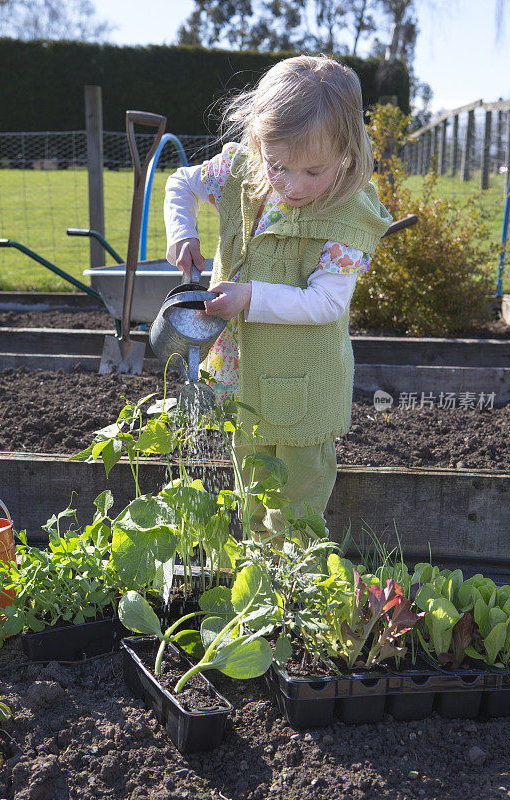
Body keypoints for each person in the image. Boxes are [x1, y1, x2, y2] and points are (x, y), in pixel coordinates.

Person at [164, 54, 392, 541]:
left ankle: (300, 585)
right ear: (258, 140)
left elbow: (326, 304)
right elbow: (180, 183)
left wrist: (250, 297)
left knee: (300, 498)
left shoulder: (347, 215)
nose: (292, 185)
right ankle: (258, 579)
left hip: (306, 383)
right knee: (252, 483)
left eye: (313, 171)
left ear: (346, 151)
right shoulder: (240, 174)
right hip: (244, 373)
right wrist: (183, 233)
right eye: (279, 164)